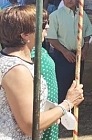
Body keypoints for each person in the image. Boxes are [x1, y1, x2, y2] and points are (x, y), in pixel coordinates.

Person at [0, 5, 84, 139]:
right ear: (25, 34)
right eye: (42, 24)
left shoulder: (12, 60)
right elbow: (29, 125)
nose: (47, 27)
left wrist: (51, 114)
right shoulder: (17, 70)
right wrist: (68, 103)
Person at [47, 0, 92, 103]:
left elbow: (87, 34)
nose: (70, 0)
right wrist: (65, 52)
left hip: (78, 55)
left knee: (76, 85)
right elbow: (52, 38)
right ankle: (61, 113)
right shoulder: (55, 16)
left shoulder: (82, 14)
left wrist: (85, 49)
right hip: (62, 56)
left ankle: (73, 112)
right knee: (62, 85)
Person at [30, 10, 59, 140]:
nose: (47, 26)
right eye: (43, 23)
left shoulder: (39, 49)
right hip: (39, 115)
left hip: (49, 111)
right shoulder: (30, 55)